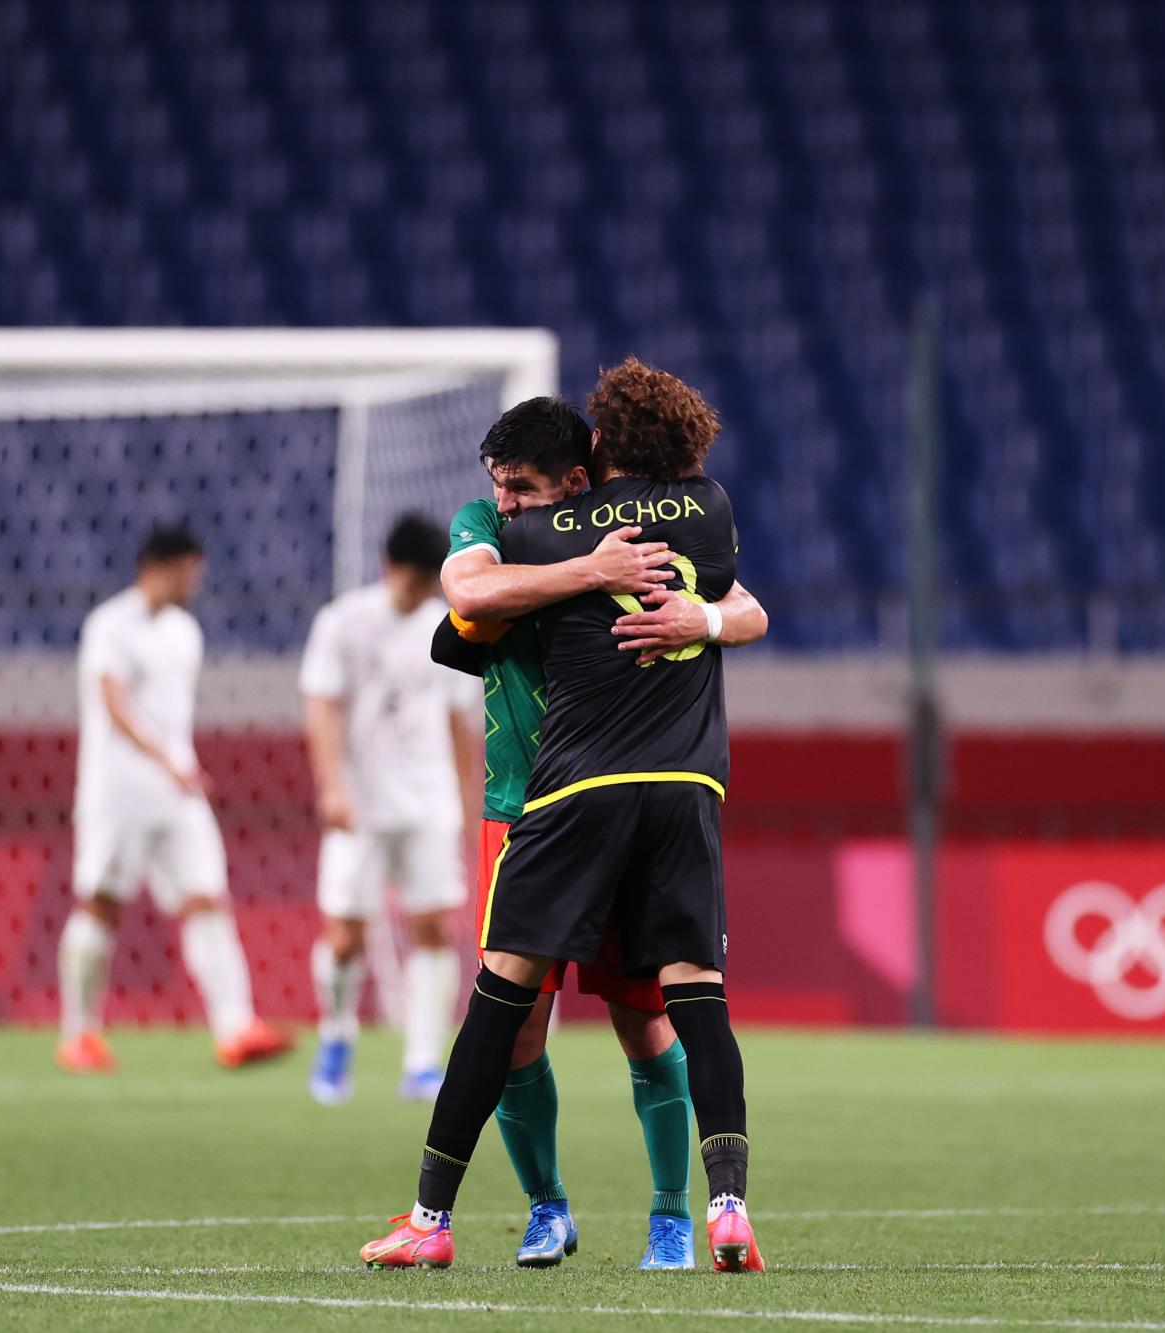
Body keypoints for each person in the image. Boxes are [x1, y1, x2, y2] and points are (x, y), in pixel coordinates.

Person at [362, 359, 764, 1273]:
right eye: (497, 486)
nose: (503, 504)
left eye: (523, 488)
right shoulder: (497, 527)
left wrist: (697, 618)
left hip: (593, 783)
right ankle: (549, 1208)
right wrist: (594, 568)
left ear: (576, 479)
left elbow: (748, 606)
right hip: (525, 804)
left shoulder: (573, 525)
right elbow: (465, 598)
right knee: (523, 1030)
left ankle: (669, 1214)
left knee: (642, 1016)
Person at [57, 528, 292, 1073]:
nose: (195, 583)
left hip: (176, 791)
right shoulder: (111, 625)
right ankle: (79, 1034)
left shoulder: (185, 631)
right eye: (188, 572)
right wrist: (166, 760)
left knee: (207, 898)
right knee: (101, 906)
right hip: (118, 792)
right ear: (158, 568)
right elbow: (113, 704)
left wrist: (175, 766)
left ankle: (235, 1029)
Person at [300, 515, 483, 1103]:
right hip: (362, 802)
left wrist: (468, 802)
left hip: (428, 801)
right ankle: (336, 1035)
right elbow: (323, 708)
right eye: (413, 582)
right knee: (346, 935)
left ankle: (423, 1060)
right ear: (389, 567)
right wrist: (331, 786)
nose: (419, 594)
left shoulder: (449, 627)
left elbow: (459, 722)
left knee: (434, 927)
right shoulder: (343, 622)